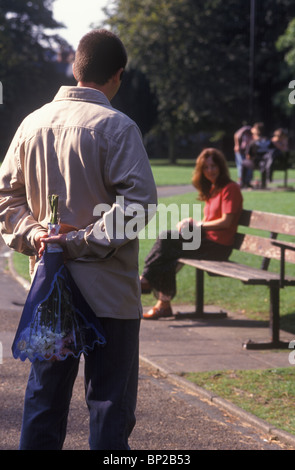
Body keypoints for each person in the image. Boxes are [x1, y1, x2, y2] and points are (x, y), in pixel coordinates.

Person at [0, 29, 157, 450]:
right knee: (109, 407)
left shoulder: (31, 124)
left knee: (43, 404)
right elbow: (139, 205)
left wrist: (37, 235)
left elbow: (5, 199)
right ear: (118, 75)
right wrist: (78, 241)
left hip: (51, 289)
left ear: (76, 67)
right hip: (108, 292)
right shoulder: (118, 127)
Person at [140, 148, 243, 320]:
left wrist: (198, 225)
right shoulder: (213, 189)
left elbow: (226, 222)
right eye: (206, 167)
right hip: (206, 241)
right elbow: (209, 220)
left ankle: (149, 282)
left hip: (218, 247)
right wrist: (191, 223)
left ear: (221, 167)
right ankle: (161, 303)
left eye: (213, 166)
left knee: (167, 244)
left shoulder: (230, 189)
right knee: (168, 248)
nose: (210, 170)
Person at [242, 122, 271, 188]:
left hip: (256, 163)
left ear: (257, 131)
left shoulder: (253, 142)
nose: (252, 129)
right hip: (266, 163)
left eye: (254, 128)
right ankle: (263, 184)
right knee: (263, 163)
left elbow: (248, 156)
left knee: (244, 163)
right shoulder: (268, 140)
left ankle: (244, 183)